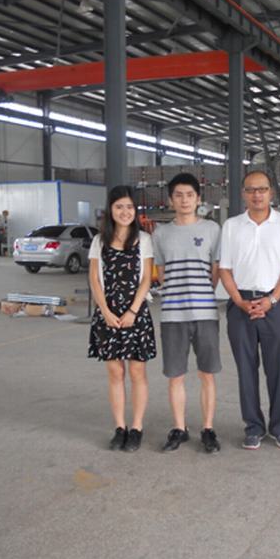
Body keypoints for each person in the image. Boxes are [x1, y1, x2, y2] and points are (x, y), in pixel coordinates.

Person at [219, 171, 280, 450]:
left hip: (275, 304)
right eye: (251, 190)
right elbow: (225, 268)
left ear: (271, 193)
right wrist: (239, 301)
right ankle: (253, 426)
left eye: (262, 189)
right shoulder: (232, 226)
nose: (257, 195)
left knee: (279, 369)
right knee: (246, 369)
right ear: (243, 193)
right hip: (240, 304)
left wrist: (273, 299)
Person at [153, 173, 222, 454]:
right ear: (171, 200)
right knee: (175, 375)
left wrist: (201, 292)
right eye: (178, 195)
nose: (184, 200)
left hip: (205, 314)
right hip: (172, 315)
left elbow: (215, 271)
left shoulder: (212, 230)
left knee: (207, 374)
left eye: (189, 195)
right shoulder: (160, 233)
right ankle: (179, 428)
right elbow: (161, 272)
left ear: (198, 199)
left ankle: (208, 428)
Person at [88, 185, 156, 452]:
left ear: (135, 210)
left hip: (135, 314)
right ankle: (120, 427)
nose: (125, 212)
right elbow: (94, 279)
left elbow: (146, 278)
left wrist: (132, 312)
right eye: (119, 207)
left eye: (129, 207)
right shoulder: (99, 241)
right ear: (110, 210)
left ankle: (136, 427)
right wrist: (105, 312)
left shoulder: (144, 239)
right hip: (108, 315)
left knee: (137, 371)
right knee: (115, 372)